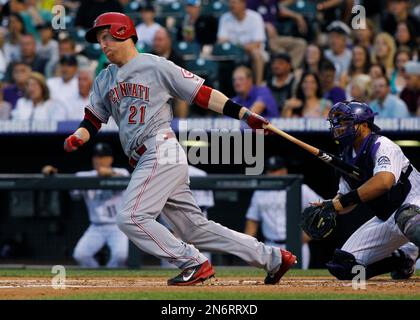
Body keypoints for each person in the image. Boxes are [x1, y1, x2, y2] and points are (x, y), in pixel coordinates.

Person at [63, 12, 296, 286]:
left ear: (121, 31)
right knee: (194, 228)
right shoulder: (104, 78)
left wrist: (243, 114)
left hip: (160, 149)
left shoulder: (156, 66)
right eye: (99, 39)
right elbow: (92, 119)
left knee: (131, 217)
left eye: (105, 37)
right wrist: (79, 136)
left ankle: (193, 262)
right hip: (147, 159)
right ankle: (273, 258)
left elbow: (203, 94)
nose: (102, 44)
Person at [317, 101, 420, 280]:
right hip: (386, 217)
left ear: (364, 125)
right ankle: (405, 258)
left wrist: (343, 201)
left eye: (345, 123)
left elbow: (384, 182)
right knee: (343, 265)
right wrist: (331, 207)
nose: (339, 128)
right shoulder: (345, 157)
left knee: (407, 217)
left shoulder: (381, 144)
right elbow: (345, 200)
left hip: (413, 202)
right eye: (337, 123)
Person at [42, 143, 130, 268]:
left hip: (117, 227)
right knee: (81, 255)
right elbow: (71, 189)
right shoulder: (83, 176)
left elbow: (127, 181)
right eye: (96, 156)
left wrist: (110, 173)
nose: (98, 160)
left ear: (110, 159)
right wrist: (53, 176)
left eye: (102, 157)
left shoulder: (121, 172)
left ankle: (111, 276)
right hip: (96, 227)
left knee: (121, 255)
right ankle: (97, 278)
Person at [244, 156, 323, 269]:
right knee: (271, 282)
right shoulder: (260, 192)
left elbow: (322, 208)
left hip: (297, 245)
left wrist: (309, 233)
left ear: (284, 171)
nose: (273, 174)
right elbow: (252, 221)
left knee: (298, 281)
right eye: (270, 171)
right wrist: (248, 248)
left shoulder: (301, 189)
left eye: (276, 170)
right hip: (270, 246)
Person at [217, 0, 267, 85]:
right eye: (230, 2)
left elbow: (257, 43)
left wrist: (235, 43)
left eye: (234, 2)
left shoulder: (255, 17)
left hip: (252, 51)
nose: (231, 5)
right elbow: (221, 40)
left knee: (256, 54)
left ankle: (258, 86)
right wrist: (241, 46)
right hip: (233, 52)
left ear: (243, 4)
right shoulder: (225, 17)